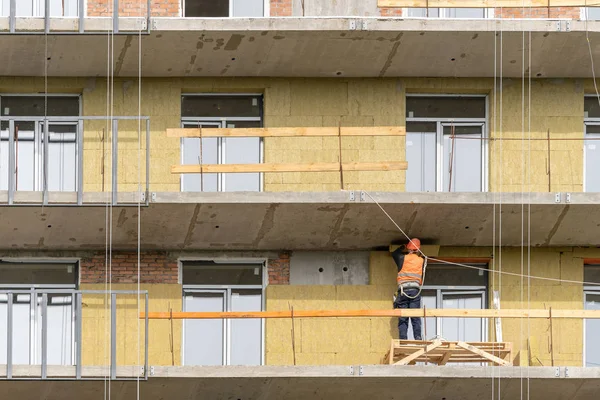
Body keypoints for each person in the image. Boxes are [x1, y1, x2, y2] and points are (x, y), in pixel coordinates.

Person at [391, 238, 424, 340]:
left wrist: (402, 247)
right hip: (415, 291)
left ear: (408, 248)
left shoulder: (402, 258)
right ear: (418, 250)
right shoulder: (421, 260)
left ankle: (403, 340)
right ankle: (418, 339)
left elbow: (395, 253)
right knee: (415, 317)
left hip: (403, 291)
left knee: (403, 318)